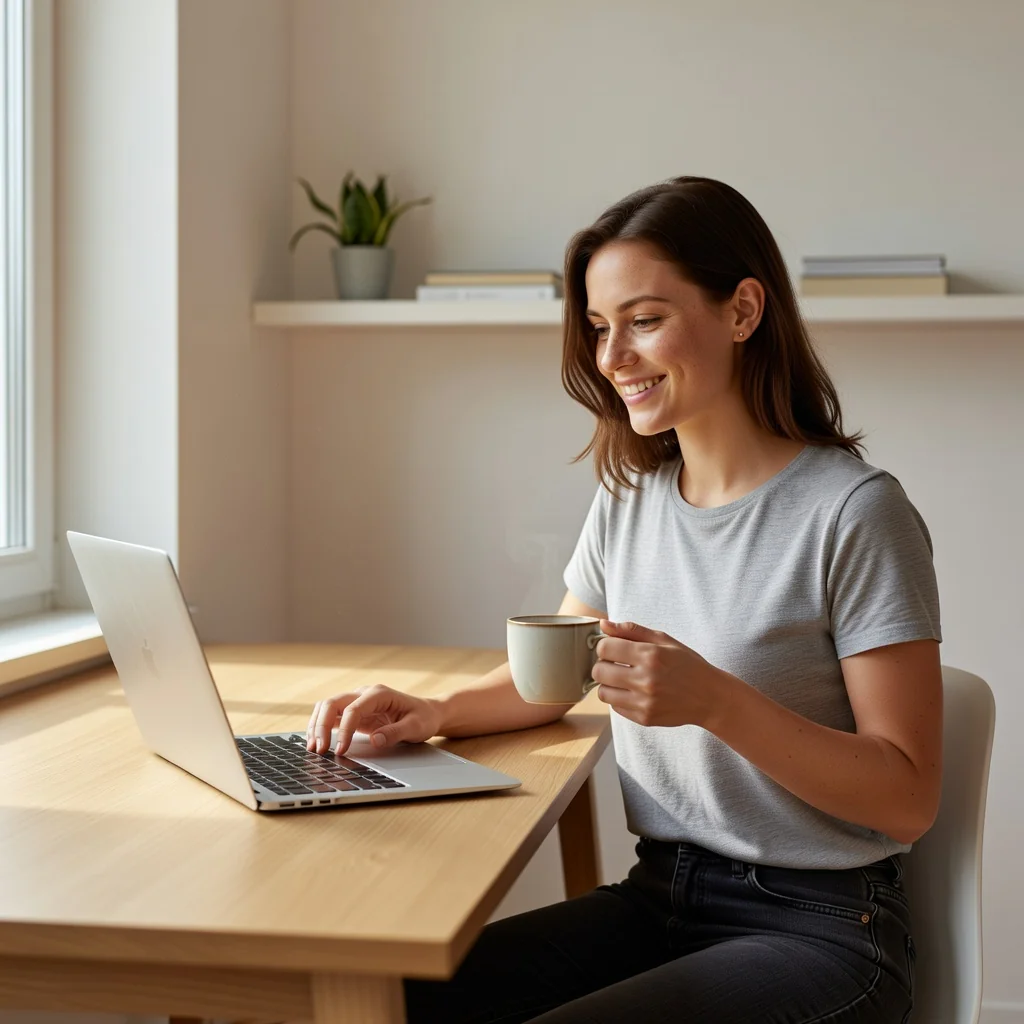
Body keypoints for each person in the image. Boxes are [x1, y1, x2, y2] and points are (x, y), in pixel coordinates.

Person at [305, 176, 942, 1023]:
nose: (611, 358)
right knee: (387, 1005)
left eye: (643, 320)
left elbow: (907, 794)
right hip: (661, 897)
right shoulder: (630, 500)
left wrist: (714, 700)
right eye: (602, 329)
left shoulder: (855, 512)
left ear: (743, 310)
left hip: (823, 928)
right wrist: (430, 712)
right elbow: (559, 672)